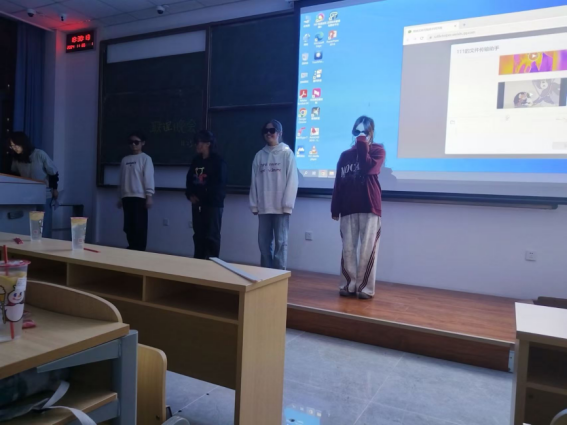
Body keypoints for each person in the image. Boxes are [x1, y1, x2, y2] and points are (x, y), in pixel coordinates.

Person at [331, 116, 386, 300]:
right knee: (348, 249)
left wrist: (363, 143)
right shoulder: (345, 155)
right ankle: (348, 285)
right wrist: (335, 208)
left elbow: (368, 167)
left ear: (371, 132)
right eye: (357, 131)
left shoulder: (378, 151)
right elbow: (338, 183)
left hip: (370, 206)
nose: (360, 135)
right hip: (348, 207)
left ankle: (365, 288)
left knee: (367, 250)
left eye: (364, 131)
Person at [250, 119, 299, 270]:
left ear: (279, 133)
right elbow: (254, 181)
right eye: (266, 131)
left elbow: (292, 180)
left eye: (272, 130)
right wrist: (254, 204)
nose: (268, 133)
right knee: (263, 243)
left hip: (281, 207)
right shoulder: (259, 155)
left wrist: (288, 205)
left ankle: (279, 275)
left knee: (281, 242)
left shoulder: (287, 154)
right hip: (264, 206)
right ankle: (266, 273)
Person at [8, 132, 59, 238]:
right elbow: (14, 174)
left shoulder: (39, 154)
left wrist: (55, 189)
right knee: (29, 223)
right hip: (26, 195)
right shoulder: (17, 158)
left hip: (43, 194)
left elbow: (53, 173)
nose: (14, 148)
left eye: (16, 145)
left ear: (23, 143)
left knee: (43, 223)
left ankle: (45, 243)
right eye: (12, 146)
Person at [186, 130, 227, 260]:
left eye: (199, 142)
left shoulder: (218, 161)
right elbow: (189, 180)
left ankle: (212, 264)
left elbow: (220, 185)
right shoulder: (196, 160)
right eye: (196, 142)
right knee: (198, 235)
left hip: (213, 205)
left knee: (212, 236)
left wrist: (205, 196)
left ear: (208, 143)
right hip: (197, 204)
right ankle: (198, 262)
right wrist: (190, 194)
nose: (197, 145)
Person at [117, 132, 155, 251]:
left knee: (139, 226)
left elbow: (148, 177)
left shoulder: (146, 158)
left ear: (142, 143)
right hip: (126, 196)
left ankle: (140, 250)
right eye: (131, 142)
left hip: (140, 197)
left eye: (136, 142)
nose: (133, 145)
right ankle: (131, 248)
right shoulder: (125, 160)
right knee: (128, 226)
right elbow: (121, 179)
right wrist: (120, 197)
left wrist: (149, 196)